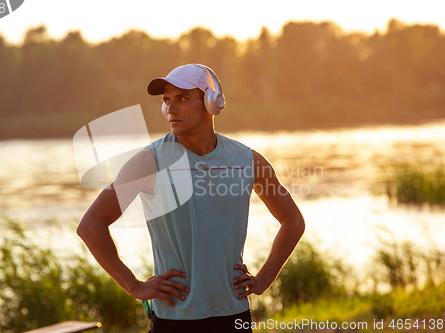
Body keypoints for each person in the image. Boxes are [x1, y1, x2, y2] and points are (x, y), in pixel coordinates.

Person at [77, 64, 305, 333]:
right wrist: (135, 286)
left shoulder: (247, 160)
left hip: (234, 316)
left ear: (211, 102)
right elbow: (91, 225)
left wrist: (265, 278)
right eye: (166, 100)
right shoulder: (149, 161)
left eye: (182, 98)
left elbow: (292, 220)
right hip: (173, 321)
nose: (171, 108)